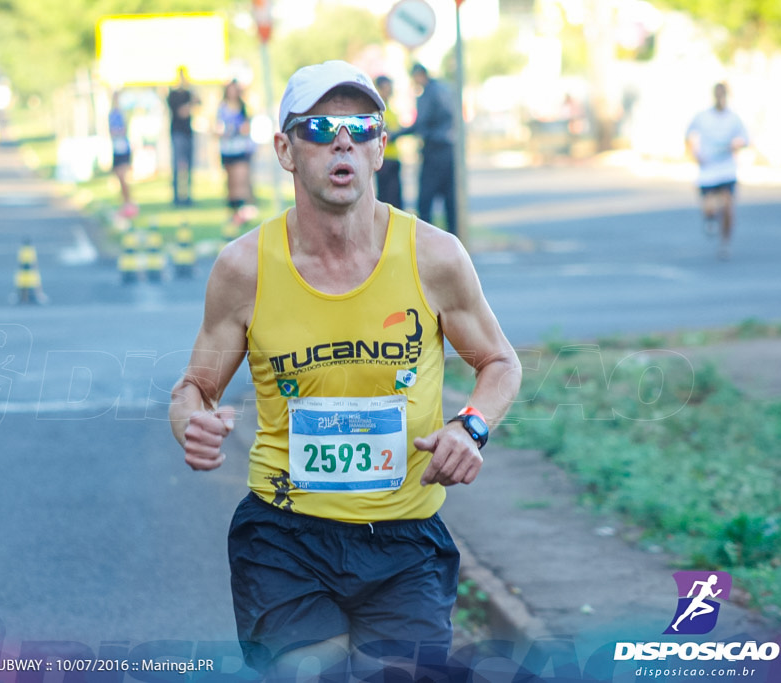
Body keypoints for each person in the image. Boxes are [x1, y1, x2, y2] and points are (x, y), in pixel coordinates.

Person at [169, 60, 521, 681]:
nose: (343, 140)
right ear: (285, 148)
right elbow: (195, 388)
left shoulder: (435, 257)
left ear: (380, 148)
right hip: (284, 537)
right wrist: (190, 422)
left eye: (361, 126)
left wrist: (471, 427)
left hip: (406, 540)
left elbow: (499, 362)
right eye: (321, 126)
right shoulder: (244, 267)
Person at [390, 63, 458, 235]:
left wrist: (396, 134)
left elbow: (420, 122)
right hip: (448, 149)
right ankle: (454, 237)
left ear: (419, 75)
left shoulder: (429, 93)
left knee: (425, 201)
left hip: (434, 150)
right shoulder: (444, 89)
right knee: (450, 200)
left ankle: (425, 239)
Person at [685, 82, 749, 260]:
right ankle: (710, 219)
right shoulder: (702, 117)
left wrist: (737, 144)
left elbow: (746, 139)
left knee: (729, 207)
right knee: (709, 207)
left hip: (727, 169)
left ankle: (725, 243)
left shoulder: (734, 118)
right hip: (708, 170)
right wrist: (695, 154)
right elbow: (688, 135)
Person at [216, 80, 257, 224]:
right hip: (227, 149)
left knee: (241, 181)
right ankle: (233, 212)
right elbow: (218, 128)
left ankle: (242, 212)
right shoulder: (222, 108)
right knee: (231, 182)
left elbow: (246, 127)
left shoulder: (243, 107)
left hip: (241, 148)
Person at [166, 66, 199, 206]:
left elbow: (198, 102)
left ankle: (188, 196)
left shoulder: (188, 94)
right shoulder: (172, 95)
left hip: (188, 132)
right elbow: (182, 112)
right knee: (177, 166)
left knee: (189, 166)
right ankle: (177, 197)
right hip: (177, 133)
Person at [373, 75, 403, 209]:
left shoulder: (390, 110)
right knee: (386, 199)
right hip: (384, 161)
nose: (389, 91)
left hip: (394, 159)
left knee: (396, 199)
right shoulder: (377, 113)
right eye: (386, 88)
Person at [108, 91, 138, 219]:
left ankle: (129, 203)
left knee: (124, 176)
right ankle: (125, 203)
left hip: (124, 148)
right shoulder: (112, 114)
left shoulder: (123, 113)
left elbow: (122, 130)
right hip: (116, 148)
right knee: (119, 179)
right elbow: (111, 131)